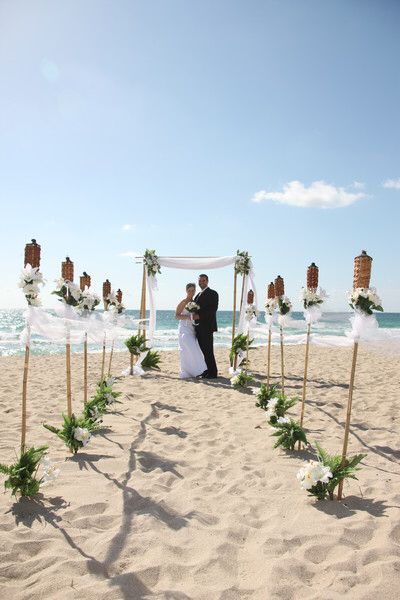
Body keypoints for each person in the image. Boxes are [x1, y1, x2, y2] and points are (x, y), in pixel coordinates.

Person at [175, 283, 207, 379]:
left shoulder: (195, 302)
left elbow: (197, 316)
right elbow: (176, 316)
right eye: (189, 290)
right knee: (187, 349)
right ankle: (187, 371)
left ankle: (197, 371)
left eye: (193, 290)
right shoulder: (183, 302)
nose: (191, 292)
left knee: (194, 349)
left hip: (192, 329)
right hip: (184, 329)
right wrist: (189, 317)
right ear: (186, 291)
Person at [193, 274, 219, 379]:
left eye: (203, 280)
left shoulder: (213, 293)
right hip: (198, 327)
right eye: (199, 281)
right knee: (204, 350)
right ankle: (208, 370)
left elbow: (212, 310)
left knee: (208, 350)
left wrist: (198, 315)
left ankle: (213, 372)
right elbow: (195, 308)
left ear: (207, 281)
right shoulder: (198, 295)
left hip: (207, 327)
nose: (201, 282)